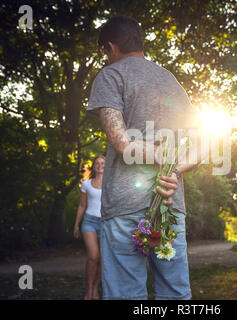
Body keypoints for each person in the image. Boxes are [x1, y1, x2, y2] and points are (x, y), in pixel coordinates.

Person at [87, 16, 203, 300]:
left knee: (126, 294)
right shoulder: (170, 81)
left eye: (104, 51)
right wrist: (172, 169)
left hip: (125, 207)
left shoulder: (111, 75)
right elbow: (203, 145)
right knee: (174, 293)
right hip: (168, 204)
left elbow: (122, 143)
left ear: (110, 47)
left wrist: (162, 161)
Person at [73, 155, 105, 300]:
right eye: (97, 163)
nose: (100, 165)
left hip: (105, 223)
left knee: (102, 260)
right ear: (93, 167)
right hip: (89, 222)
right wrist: (76, 225)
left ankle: (95, 288)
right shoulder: (86, 184)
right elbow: (81, 205)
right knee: (93, 256)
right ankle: (88, 290)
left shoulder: (111, 184)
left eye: (102, 163)